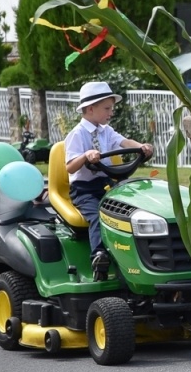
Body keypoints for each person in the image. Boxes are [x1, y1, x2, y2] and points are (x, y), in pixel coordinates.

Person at [63, 80, 153, 268]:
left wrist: (141, 147)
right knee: (99, 215)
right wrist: (86, 156)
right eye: (107, 108)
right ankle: (99, 255)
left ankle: (134, 253)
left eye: (111, 108)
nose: (111, 112)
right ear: (90, 109)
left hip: (105, 183)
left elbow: (124, 142)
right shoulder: (77, 134)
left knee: (127, 209)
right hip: (84, 190)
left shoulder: (106, 131)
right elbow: (70, 167)